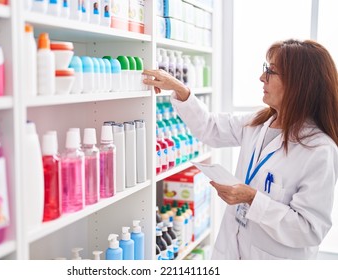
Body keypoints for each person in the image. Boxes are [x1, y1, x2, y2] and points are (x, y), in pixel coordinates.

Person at [143, 39, 338, 260]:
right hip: (232, 250)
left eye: (271, 71)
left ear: (298, 84)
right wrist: (180, 89)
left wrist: (253, 199)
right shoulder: (258, 122)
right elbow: (210, 128)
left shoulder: (320, 150)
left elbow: (310, 230)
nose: (262, 77)